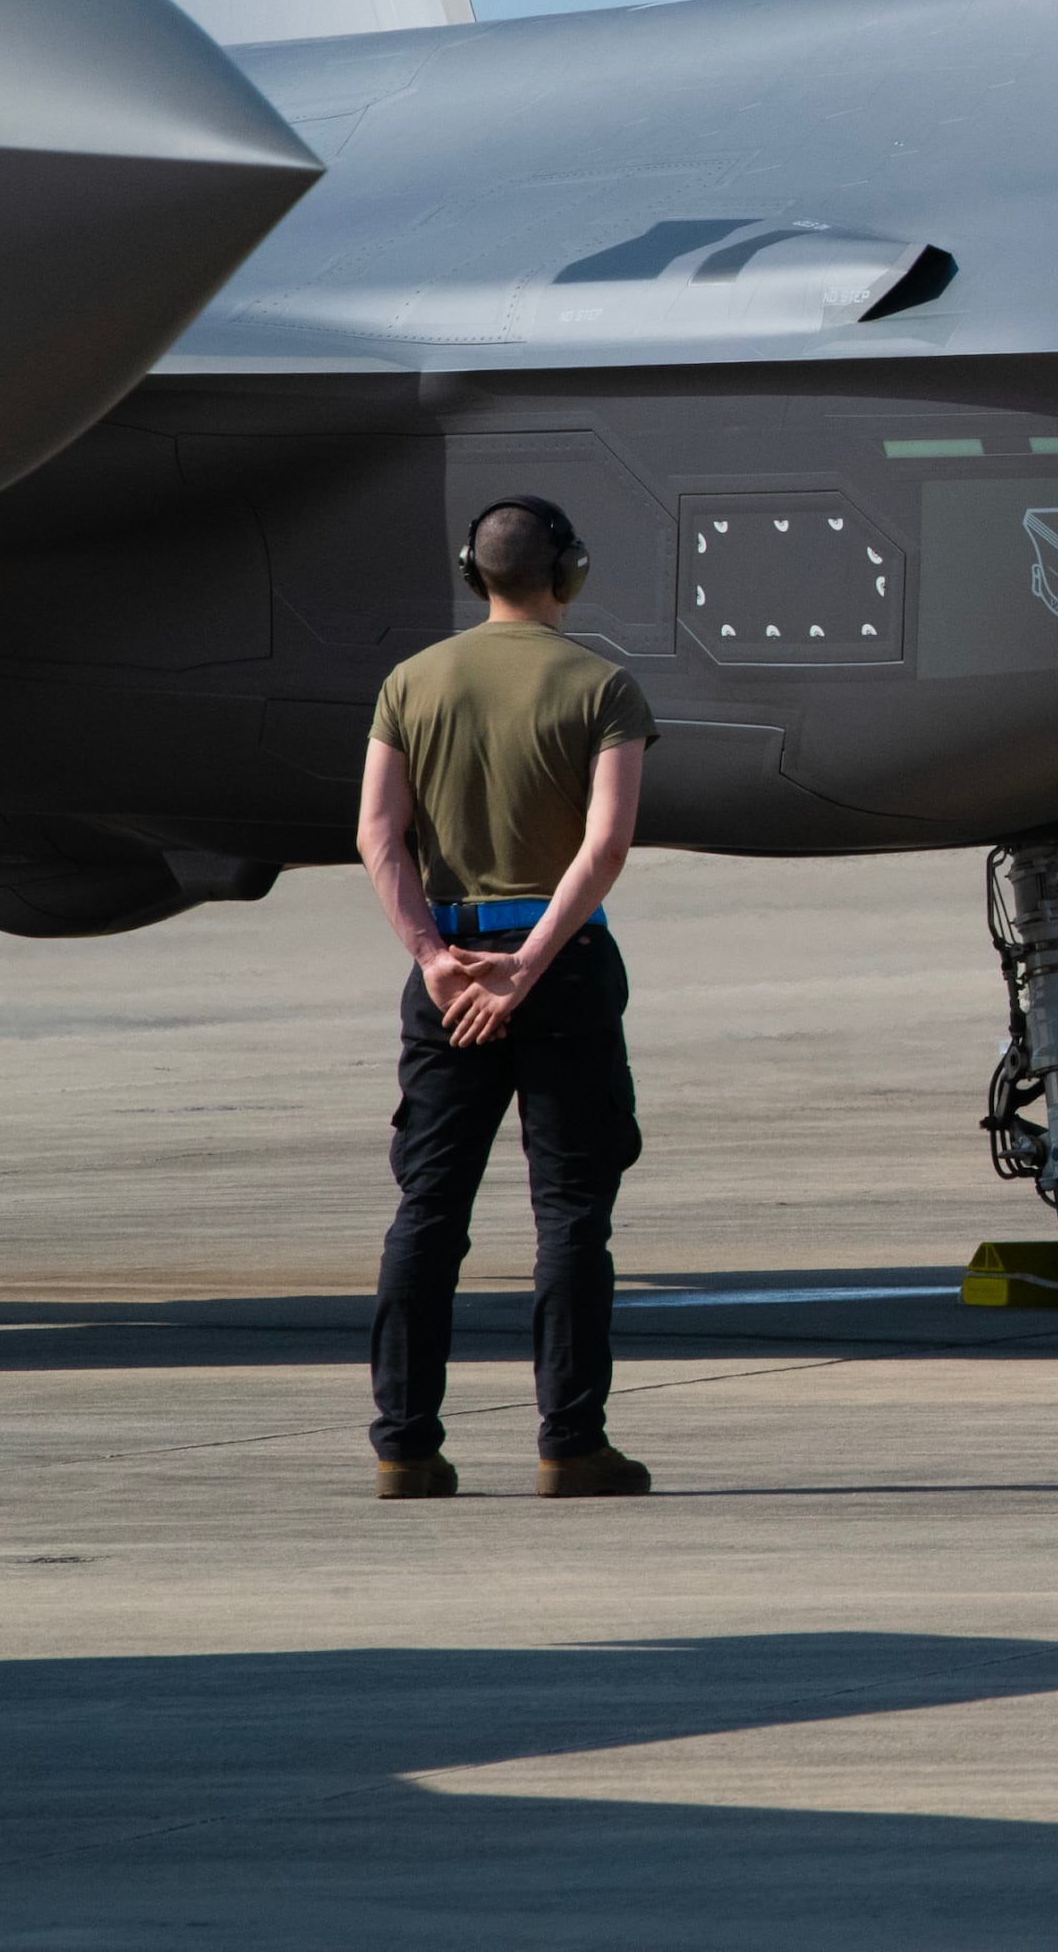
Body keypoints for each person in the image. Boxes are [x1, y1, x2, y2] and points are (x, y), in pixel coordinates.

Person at [358, 497, 657, 1500]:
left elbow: (378, 834)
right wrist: (529, 961)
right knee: (571, 1207)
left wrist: (437, 958)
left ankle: (405, 1442)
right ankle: (570, 1441)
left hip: (446, 955)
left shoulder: (411, 681)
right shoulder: (602, 684)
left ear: (470, 571)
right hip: (559, 964)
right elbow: (605, 842)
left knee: (429, 1205)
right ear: (569, 572)